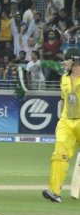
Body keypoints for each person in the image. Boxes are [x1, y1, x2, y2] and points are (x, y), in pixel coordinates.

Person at [42, 48, 80, 203]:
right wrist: (60, 121)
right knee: (59, 156)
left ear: (75, 61)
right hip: (66, 121)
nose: (64, 62)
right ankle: (55, 192)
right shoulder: (63, 78)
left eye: (67, 59)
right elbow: (64, 99)